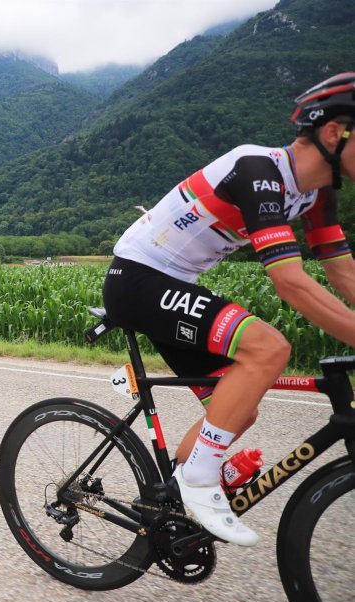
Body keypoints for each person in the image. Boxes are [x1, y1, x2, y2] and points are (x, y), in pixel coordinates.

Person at [102, 72, 355, 547]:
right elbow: (290, 282)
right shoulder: (258, 170)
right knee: (267, 348)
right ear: (332, 133)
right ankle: (199, 481)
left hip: (170, 285)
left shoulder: (317, 195)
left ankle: (169, 501)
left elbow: (344, 274)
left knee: (237, 409)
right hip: (137, 278)